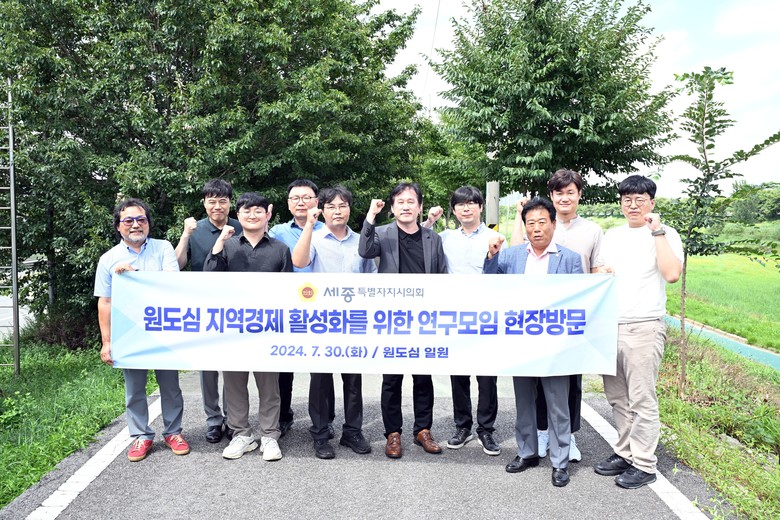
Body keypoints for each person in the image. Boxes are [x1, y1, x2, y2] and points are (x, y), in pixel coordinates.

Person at [484, 197, 583, 487]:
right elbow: (488, 285)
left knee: (558, 404)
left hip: (555, 345)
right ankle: (527, 452)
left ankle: (560, 461)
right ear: (525, 226)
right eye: (530, 223)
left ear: (553, 223)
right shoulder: (511, 256)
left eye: (542, 222)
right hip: (521, 343)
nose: (536, 228)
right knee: (524, 401)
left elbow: (580, 300)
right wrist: (491, 257)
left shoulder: (569, 258)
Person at [594, 175, 682, 489]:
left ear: (651, 202)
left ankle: (644, 464)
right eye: (627, 200)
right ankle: (625, 452)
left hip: (644, 326)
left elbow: (672, 274)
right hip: (610, 326)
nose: (633, 205)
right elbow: (598, 271)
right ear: (621, 203)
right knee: (617, 397)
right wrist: (600, 271)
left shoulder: (665, 233)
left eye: (640, 200)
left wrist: (656, 230)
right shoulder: (612, 235)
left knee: (642, 398)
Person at [510, 169, 604, 462]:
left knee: (564, 392)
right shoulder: (517, 251)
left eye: (570, 192)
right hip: (524, 333)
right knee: (529, 394)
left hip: (562, 329)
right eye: (559, 193)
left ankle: (564, 447)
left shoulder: (587, 236)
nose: (537, 228)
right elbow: (501, 278)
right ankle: (534, 442)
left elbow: (592, 277)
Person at [95, 198, 190, 462]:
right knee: (134, 388)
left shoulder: (163, 248)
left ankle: (173, 432)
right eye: (128, 220)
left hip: (163, 329)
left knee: (170, 386)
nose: (135, 224)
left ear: (148, 223)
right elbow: (105, 301)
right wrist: (107, 342)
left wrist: (134, 275)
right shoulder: (108, 259)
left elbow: (172, 284)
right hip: (129, 333)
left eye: (141, 219)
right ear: (118, 226)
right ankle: (141, 436)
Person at [358, 182, 448, 459]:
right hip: (393, 318)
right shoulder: (383, 233)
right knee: (392, 378)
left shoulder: (433, 238)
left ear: (420, 207)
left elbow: (442, 275)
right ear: (393, 207)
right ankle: (393, 433)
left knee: (423, 377)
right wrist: (371, 216)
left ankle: (423, 430)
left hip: (424, 318)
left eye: (411, 201)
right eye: (400, 202)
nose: (406, 206)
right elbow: (364, 250)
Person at [204, 192, 292, 461]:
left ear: (268, 214)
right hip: (232, 329)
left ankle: (269, 435)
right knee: (234, 385)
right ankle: (241, 434)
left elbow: (288, 290)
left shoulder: (280, 249)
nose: (252, 215)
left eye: (258, 211)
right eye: (246, 211)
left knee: (269, 386)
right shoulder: (227, 245)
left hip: (267, 328)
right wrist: (220, 241)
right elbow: (209, 277)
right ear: (238, 215)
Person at [292, 186, 377, 459]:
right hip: (321, 320)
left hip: (354, 320)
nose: (337, 211)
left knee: (353, 379)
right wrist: (309, 225)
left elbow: (372, 278)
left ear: (350, 208)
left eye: (342, 206)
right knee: (320, 379)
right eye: (331, 207)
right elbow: (299, 261)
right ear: (323, 210)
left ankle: (352, 431)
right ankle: (320, 433)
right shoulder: (314, 238)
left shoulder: (361, 241)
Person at [423, 186, 504, 456]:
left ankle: (486, 429)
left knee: (487, 375)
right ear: (454, 210)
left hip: (486, 313)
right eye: (460, 204)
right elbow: (416, 238)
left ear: (481, 207)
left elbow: (505, 274)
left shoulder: (495, 237)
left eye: (471, 203)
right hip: (455, 313)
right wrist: (430, 221)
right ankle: (463, 426)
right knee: (458, 373)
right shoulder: (445, 237)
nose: (466, 208)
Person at [174, 178, 243, 444]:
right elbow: (178, 265)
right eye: (212, 201)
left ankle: (232, 418)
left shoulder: (240, 226)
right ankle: (213, 420)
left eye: (222, 201)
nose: (217, 206)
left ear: (230, 203)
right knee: (208, 369)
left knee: (232, 366)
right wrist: (185, 235)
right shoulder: (195, 229)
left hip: (235, 306)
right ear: (204, 203)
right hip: (203, 307)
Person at [268, 179, 329, 437]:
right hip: (287, 307)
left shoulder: (329, 229)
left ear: (317, 201)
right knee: (284, 365)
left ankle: (324, 420)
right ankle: (284, 415)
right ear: (288, 203)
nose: (301, 202)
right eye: (295, 198)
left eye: (306, 197)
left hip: (323, 308)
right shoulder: (277, 232)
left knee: (322, 367)